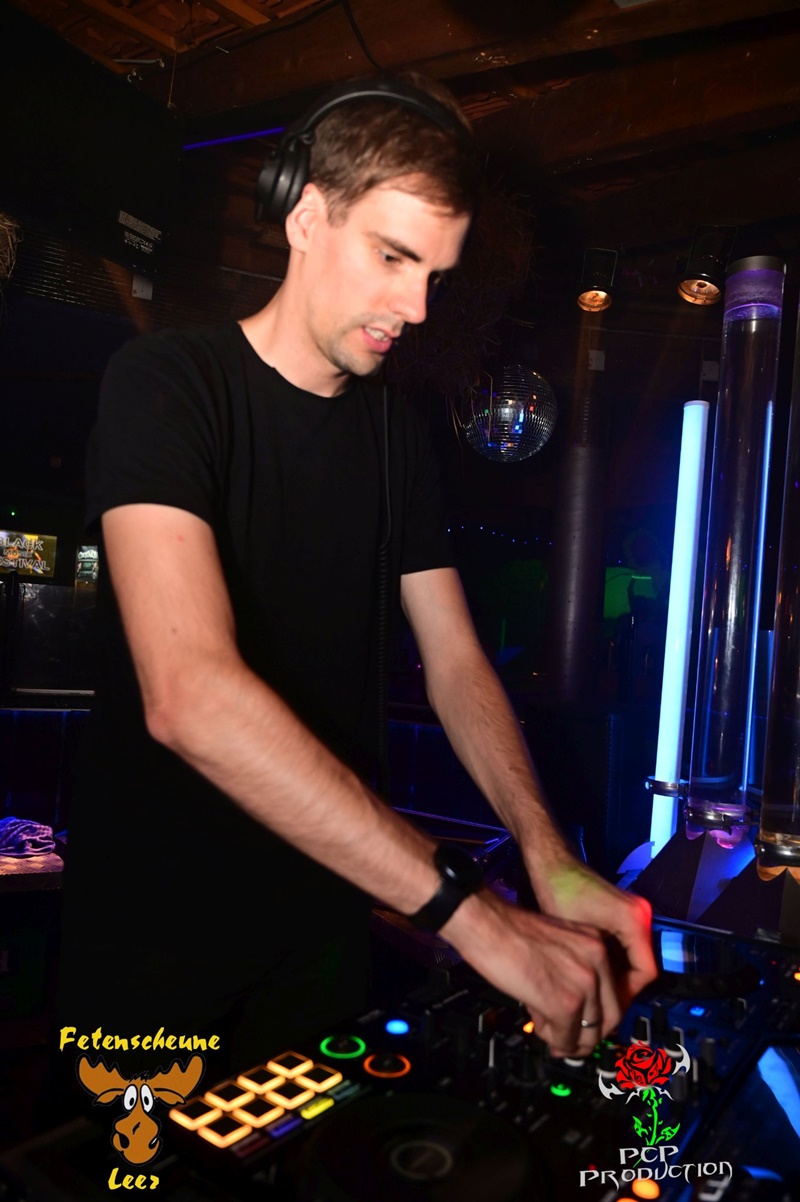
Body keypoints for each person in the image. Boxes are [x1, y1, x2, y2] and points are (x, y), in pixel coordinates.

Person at [56, 73, 656, 1082]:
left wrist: (546, 853)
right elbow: (189, 693)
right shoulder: (169, 386)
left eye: (435, 274)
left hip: (321, 932)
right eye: (392, 256)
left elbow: (457, 664)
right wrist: (480, 921)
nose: (415, 307)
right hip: (153, 939)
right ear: (305, 217)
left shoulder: (396, 434)